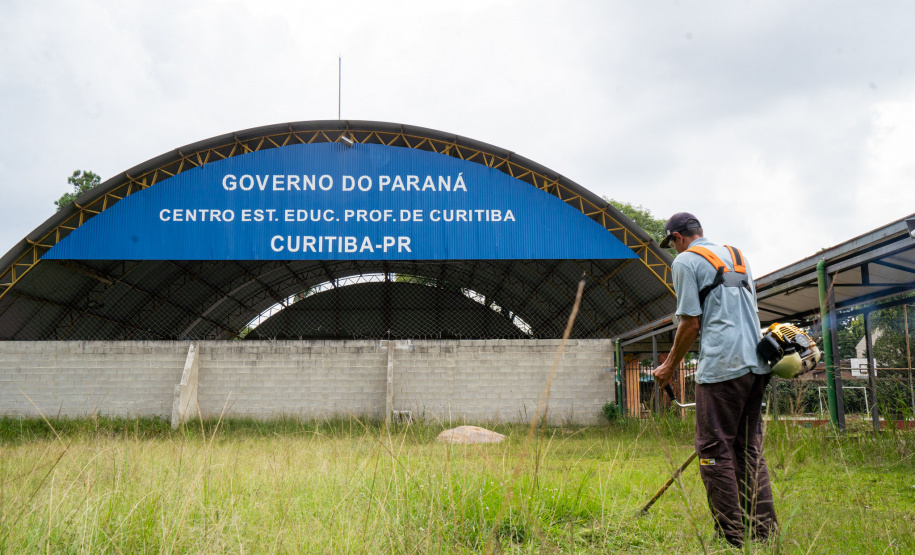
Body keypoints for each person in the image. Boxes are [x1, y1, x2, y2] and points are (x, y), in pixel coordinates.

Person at [651, 212, 777, 547]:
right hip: (756, 364)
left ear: (678, 237)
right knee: (748, 451)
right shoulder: (737, 256)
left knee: (712, 452)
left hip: (723, 367)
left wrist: (668, 368)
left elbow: (691, 324)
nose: (673, 250)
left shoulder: (686, 262)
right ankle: (763, 532)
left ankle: (730, 537)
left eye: (672, 244)